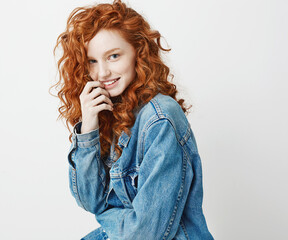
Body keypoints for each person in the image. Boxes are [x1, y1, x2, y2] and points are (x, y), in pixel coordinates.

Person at [53, 0, 214, 239]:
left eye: (114, 56)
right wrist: (88, 126)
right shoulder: (111, 112)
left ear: (139, 53)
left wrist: (105, 216)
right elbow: (90, 200)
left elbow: (146, 232)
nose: (102, 72)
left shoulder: (160, 119)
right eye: (92, 61)